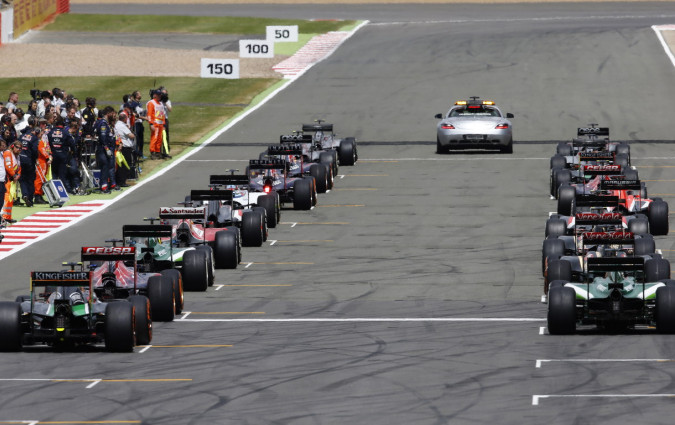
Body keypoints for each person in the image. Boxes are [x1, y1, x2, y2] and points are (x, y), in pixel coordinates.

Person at [47, 115, 76, 190]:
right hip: (62, 156)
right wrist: (73, 153)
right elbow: (72, 144)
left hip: (53, 156)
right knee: (62, 174)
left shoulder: (50, 132)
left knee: (53, 174)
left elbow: (46, 143)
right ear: (63, 125)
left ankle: (54, 190)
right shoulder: (65, 132)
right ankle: (63, 191)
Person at [94, 106, 118, 193]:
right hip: (103, 149)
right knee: (105, 167)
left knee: (107, 166)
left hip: (106, 148)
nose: (113, 115)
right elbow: (103, 138)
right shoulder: (103, 123)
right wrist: (107, 148)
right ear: (108, 113)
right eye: (112, 113)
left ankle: (107, 185)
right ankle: (103, 187)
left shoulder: (106, 123)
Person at [18, 117, 39, 207]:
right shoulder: (34, 138)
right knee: (30, 180)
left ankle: (25, 194)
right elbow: (34, 150)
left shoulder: (21, 136)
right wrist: (36, 159)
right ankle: (30, 198)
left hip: (20, 159)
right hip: (29, 161)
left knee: (22, 179)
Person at [2, 141, 22, 224]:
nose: (19, 149)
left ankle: (8, 217)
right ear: (13, 146)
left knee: (10, 198)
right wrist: (14, 175)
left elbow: (19, 167)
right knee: (7, 198)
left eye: (20, 148)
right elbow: (8, 166)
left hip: (12, 179)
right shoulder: (8, 153)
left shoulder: (17, 156)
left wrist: (18, 175)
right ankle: (4, 217)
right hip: (7, 178)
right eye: (17, 147)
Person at [33, 119, 51, 205]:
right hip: (41, 161)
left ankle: (40, 195)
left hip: (44, 160)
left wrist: (50, 155)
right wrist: (48, 158)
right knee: (39, 179)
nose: (42, 134)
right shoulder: (38, 140)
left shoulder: (44, 138)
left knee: (42, 178)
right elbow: (41, 149)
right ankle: (37, 195)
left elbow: (47, 147)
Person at [114, 111, 135, 187]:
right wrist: (131, 131)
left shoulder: (116, 125)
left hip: (120, 146)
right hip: (125, 147)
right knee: (125, 165)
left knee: (120, 165)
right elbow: (131, 135)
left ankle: (119, 181)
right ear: (125, 119)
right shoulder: (122, 126)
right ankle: (123, 181)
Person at [146, 90, 166, 160]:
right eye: (158, 95)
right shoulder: (151, 103)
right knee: (154, 138)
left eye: (160, 95)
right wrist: (151, 124)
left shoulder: (161, 104)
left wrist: (163, 124)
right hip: (155, 123)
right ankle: (153, 152)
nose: (160, 96)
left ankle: (158, 152)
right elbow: (149, 114)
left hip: (160, 124)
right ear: (155, 95)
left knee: (159, 138)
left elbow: (163, 115)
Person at [159, 87, 172, 159]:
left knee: (166, 136)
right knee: (159, 137)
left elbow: (170, 109)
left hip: (165, 120)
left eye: (165, 93)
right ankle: (158, 152)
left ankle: (165, 151)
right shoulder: (158, 101)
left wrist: (165, 103)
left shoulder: (167, 101)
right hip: (159, 120)